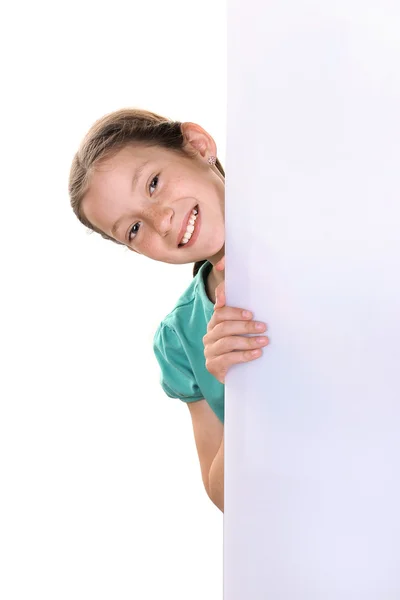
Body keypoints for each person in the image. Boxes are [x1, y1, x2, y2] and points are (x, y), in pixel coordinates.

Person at [68, 108, 269, 512]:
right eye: (134, 230)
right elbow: (224, 496)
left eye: (154, 184)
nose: (160, 222)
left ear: (197, 145)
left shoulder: (319, 223)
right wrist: (243, 388)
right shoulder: (180, 337)